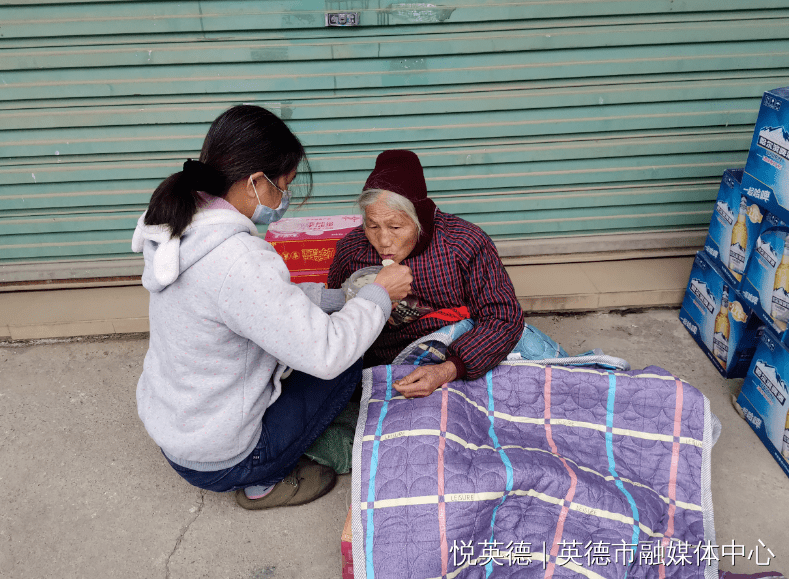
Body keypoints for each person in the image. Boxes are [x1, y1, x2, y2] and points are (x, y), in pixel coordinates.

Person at [132, 105, 412, 510]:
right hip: (221, 459)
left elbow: (258, 303)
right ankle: (265, 479)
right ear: (255, 182)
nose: (285, 198)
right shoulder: (238, 259)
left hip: (176, 430)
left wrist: (339, 297)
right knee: (349, 353)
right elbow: (327, 352)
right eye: (284, 185)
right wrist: (378, 296)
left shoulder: (182, 218)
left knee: (340, 321)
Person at [328, 149, 525, 398]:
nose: (383, 241)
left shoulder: (463, 244)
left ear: (419, 218)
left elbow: (503, 316)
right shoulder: (352, 251)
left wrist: (447, 370)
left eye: (396, 226)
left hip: (457, 361)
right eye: (372, 226)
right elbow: (336, 322)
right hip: (384, 367)